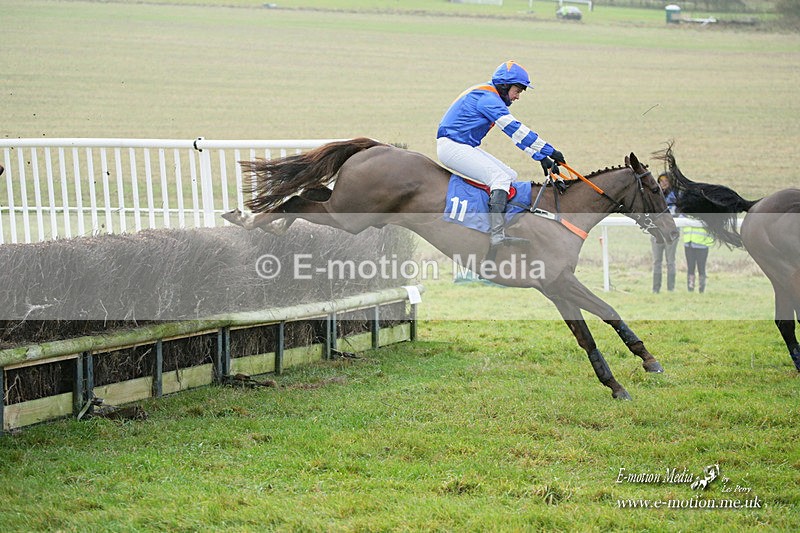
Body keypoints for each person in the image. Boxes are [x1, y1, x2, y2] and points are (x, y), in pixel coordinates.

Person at [436, 60, 565, 252]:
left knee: (510, 176)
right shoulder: (488, 99)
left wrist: (540, 157)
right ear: (504, 86)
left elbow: (514, 135)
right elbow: (515, 129)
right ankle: (496, 234)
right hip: (453, 147)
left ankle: (497, 224)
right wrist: (550, 151)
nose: (517, 96)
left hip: (461, 145)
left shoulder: (490, 96)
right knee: (500, 178)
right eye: (517, 91)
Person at [650, 173, 678, 293]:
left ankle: (670, 289)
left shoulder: (676, 196)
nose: (663, 183)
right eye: (661, 180)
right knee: (657, 261)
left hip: (671, 234)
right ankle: (656, 289)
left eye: (666, 180)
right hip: (657, 233)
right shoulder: (653, 196)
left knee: (670, 261)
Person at [683, 222, 713, 293]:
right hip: (689, 243)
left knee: (701, 268)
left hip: (702, 244)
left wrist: (708, 242)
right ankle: (690, 289)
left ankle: (701, 289)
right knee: (690, 267)